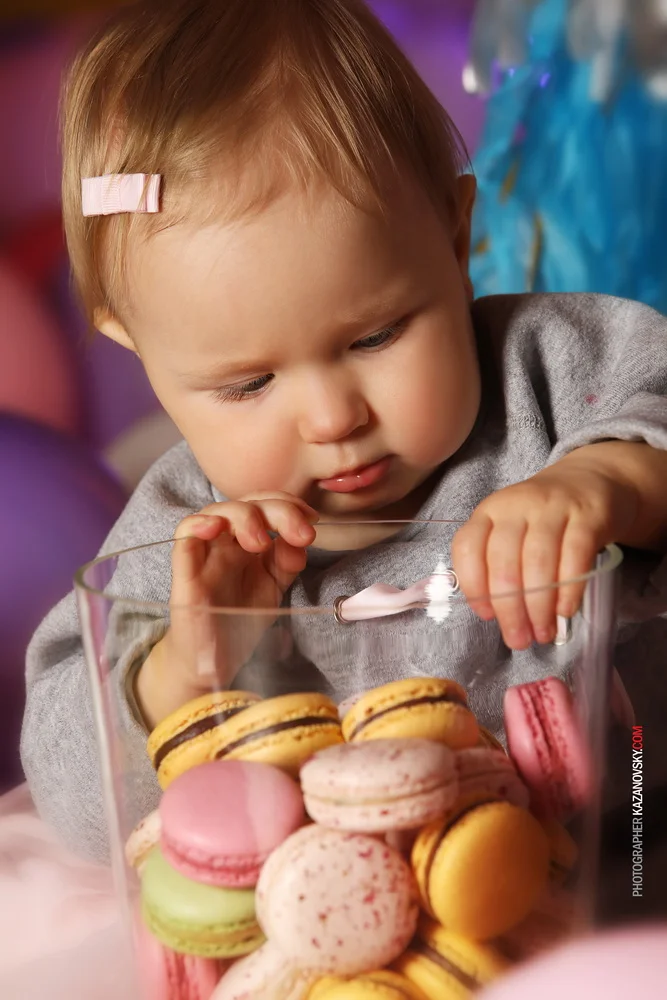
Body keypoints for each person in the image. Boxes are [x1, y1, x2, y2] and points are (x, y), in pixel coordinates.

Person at [21, 0, 667, 862]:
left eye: (375, 337)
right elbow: (77, 807)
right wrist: (181, 672)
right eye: (247, 384)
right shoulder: (187, 544)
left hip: (627, 869)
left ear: (452, 230)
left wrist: (611, 482)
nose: (334, 419)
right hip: (359, 954)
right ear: (137, 351)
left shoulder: (555, 370)